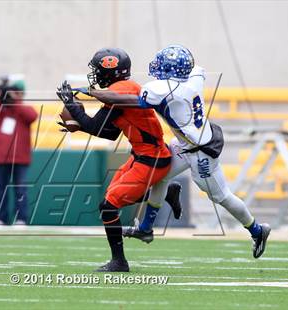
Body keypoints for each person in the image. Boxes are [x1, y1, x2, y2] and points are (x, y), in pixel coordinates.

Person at [85, 45, 271, 258]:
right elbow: (196, 68)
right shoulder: (193, 77)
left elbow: (128, 102)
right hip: (186, 142)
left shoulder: (162, 89)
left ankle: (257, 230)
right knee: (159, 171)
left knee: (221, 196)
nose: (158, 67)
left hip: (200, 151)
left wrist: (96, 93)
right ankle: (146, 229)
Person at [56, 48, 181, 272]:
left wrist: (72, 106)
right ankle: (167, 191)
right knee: (109, 202)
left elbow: (96, 126)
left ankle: (119, 262)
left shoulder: (120, 91)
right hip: (144, 156)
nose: (95, 74)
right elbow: (109, 132)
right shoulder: (122, 88)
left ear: (109, 70)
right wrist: (78, 123)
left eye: (98, 69)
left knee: (108, 206)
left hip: (150, 160)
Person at [0, 79, 38, 225]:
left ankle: (21, 218)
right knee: (1, 191)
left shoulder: (23, 109)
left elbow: (32, 116)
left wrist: (15, 102)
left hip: (20, 158)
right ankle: (1, 218)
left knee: (21, 190)